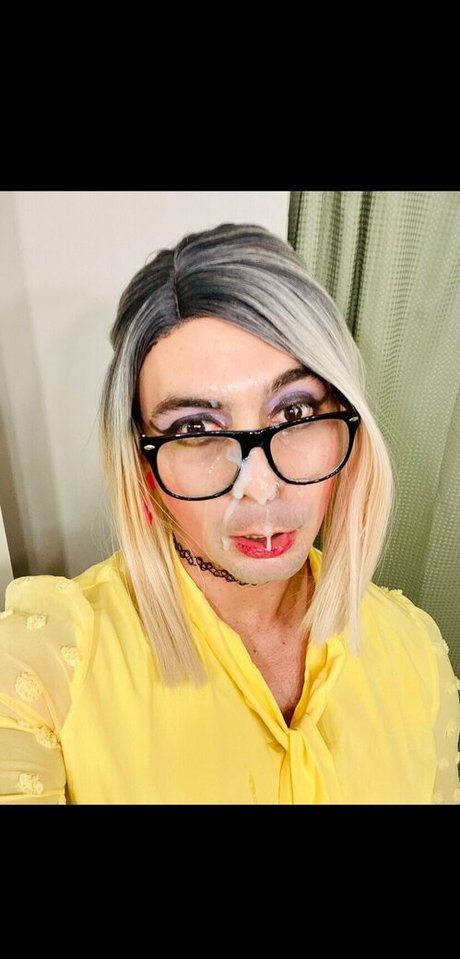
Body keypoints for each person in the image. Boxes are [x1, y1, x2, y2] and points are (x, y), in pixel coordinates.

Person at [0, 222, 459, 805]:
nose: (259, 488)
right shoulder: (38, 671)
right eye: (195, 428)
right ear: (142, 464)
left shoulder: (416, 649)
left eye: (294, 413)